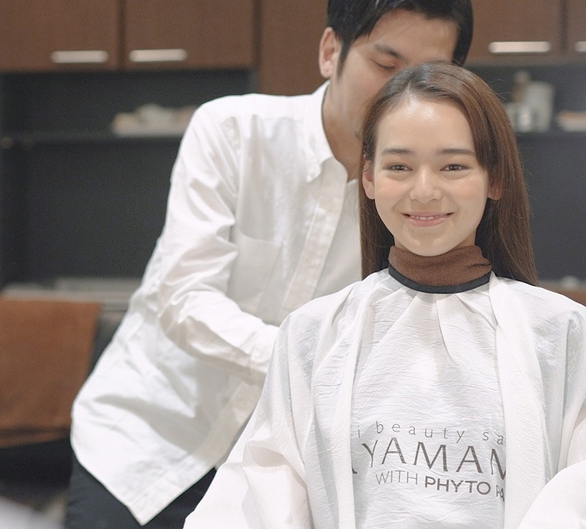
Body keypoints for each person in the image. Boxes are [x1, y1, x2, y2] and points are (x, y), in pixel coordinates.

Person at [66, 1, 475, 527]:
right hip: (145, 441)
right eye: (385, 64)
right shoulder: (234, 131)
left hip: (280, 474)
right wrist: (309, 364)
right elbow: (184, 298)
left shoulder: (430, 199)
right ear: (330, 51)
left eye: (428, 75)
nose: (404, 95)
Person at [184, 62, 586, 529]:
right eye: (399, 167)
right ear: (369, 178)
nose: (424, 191)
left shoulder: (562, 333)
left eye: (453, 166)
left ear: (494, 178)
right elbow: (263, 495)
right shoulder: (313, 335)